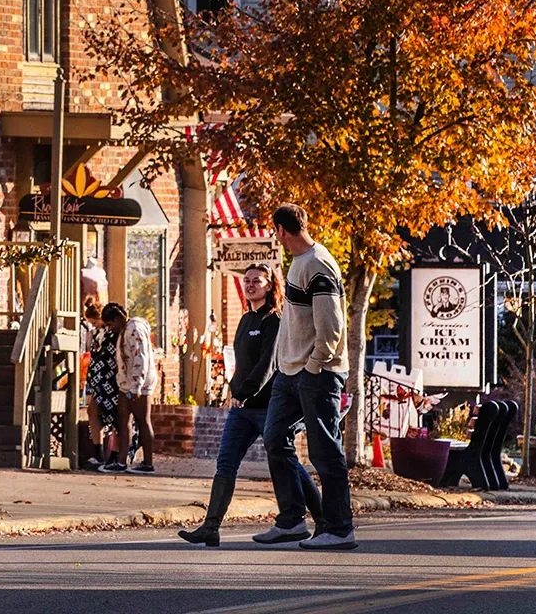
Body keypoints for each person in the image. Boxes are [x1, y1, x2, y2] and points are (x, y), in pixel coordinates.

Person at [178, 264, 323, 546]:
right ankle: (211, 526)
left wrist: (243, 391)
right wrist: (234, 388)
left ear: (270, 286)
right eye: (247, 281)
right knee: (226, 463)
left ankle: (323, 519)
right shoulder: (246, 320)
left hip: (269, 406)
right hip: (242, 409)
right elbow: (242, 363)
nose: (250, 285)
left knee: (287, 460)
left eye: (257, 280)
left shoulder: (275, 320)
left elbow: (267, 365)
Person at [259, 203, 355, 551]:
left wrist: (315, 365)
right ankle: (292, 521)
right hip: (291, 372)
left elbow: (330, 325)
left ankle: (340, 528)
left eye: (277, 233)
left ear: (283, 231)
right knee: (274, 438)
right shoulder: (299, 263)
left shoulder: (317, 263)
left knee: (324, 451)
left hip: (317, 372)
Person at [101, 302, 157, 473]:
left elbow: (141, 358)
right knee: (123, 421)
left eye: (111, 324)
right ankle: (121, 462)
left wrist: (137, 386)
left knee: (142, 420)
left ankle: (148, 463)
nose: (110, 329)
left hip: (140, 384)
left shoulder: (134, 330)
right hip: (125, 383)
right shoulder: (124, 331)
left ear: (118, 319)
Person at [81, 296, 120, 469]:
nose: (94, 326)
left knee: (115, 414)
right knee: (93, 411)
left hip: (112, 378)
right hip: (98, 379)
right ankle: (99, 451)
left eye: (95, 322)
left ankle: (115, 454)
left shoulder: (113, 334)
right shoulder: (94, 333)